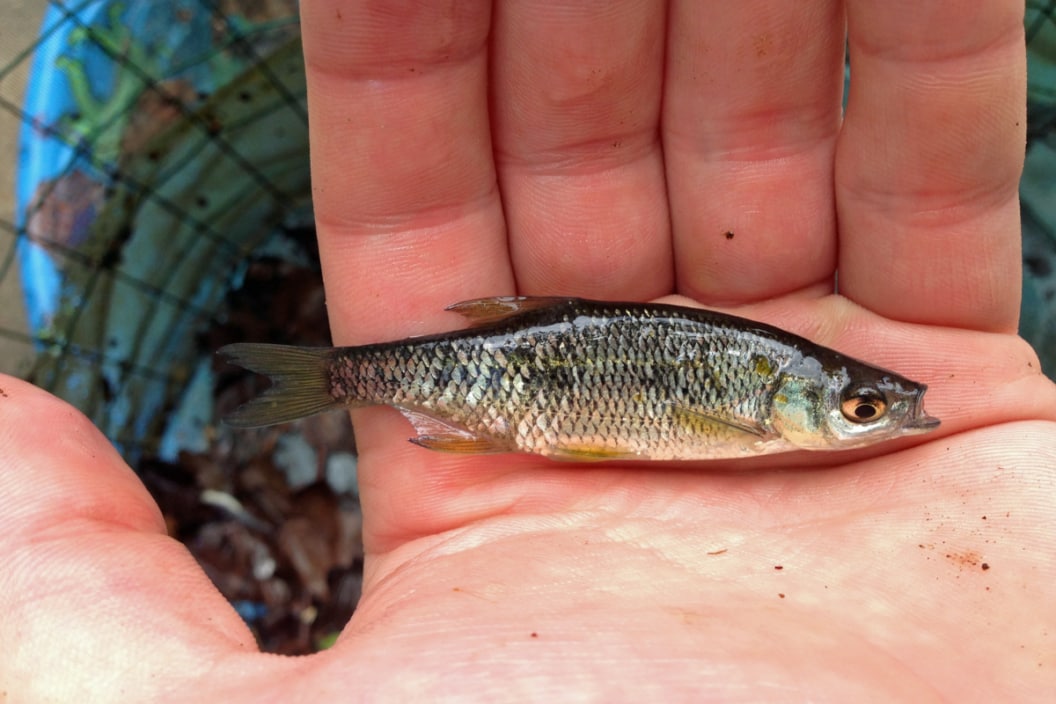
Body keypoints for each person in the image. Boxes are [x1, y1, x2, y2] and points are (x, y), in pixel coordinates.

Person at [3, 2, 1054, 700]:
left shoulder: (776, 388)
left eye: (860, 409)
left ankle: (319, 376)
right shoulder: (760, 394)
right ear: (784, 402)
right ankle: (322, 376)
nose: (866, 417)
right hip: (527, 372)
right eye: (858, 408)